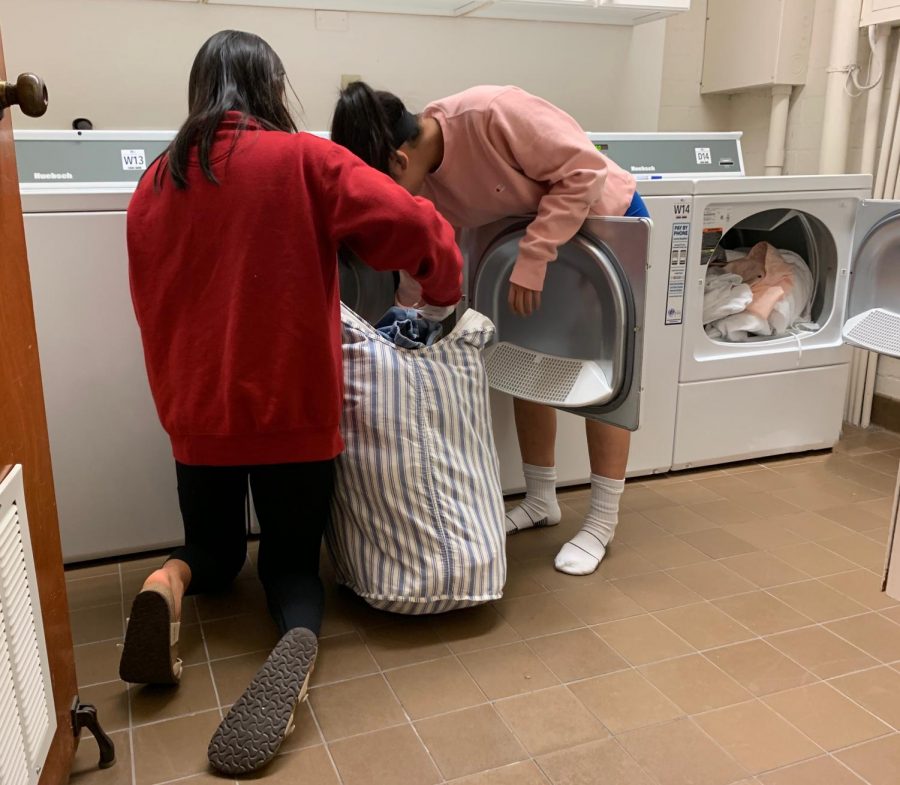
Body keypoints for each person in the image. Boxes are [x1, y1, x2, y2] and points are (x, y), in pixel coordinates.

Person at [121, 32, 461, 776]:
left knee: (214, 557)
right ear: (271, 86)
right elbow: (413, 224)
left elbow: (154, 304)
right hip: (293, 414)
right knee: (291, 567)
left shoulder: (154, 182)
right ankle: (297, 640)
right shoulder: (304, 159)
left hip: (199, 417)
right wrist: (442, 283)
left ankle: (164, 585)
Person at [331, 82, 648, 577]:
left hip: (603, 227)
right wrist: (409, 310)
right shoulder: (424, 178)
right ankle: (542, 499)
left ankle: (602, 521)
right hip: (527, 247)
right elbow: (432, 248)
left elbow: (583, 170)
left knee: (605, 379)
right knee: (529, 361)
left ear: (396, 161)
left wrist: (535, 253)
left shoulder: (493, 113)